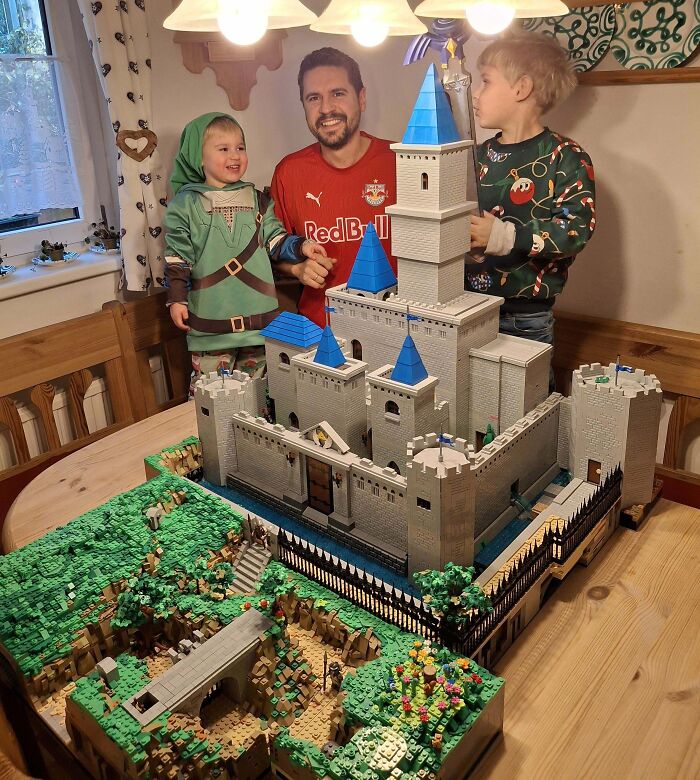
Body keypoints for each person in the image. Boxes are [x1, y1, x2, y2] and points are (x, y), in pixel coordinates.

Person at [164, 112, 328, 389]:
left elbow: (275, 239)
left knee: (257, 397)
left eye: (240, 147)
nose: (235, 156)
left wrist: (302, 246)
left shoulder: (258, 200)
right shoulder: (184, 205)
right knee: (212, 397)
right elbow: (178, 258)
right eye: (223, 149)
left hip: (259, 326)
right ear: (198, 157)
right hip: (210, 327)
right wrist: (177, 300)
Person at [465, 33, 596, 346]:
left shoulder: (564, 157)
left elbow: (575, 230)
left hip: (523, 318)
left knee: (524, 394)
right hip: (467, 307)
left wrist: (503, 236)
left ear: (521, 88)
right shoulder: (477, 157)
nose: (476, 95)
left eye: (486, 82)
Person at [271, 47, 397, 326]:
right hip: (323, 335)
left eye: (338, 94)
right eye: (314, 98)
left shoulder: (402, 162)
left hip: (403, 329)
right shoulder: (288, 173)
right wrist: (297, 268)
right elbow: (272, 249)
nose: (326, 108)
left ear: (361, 98)